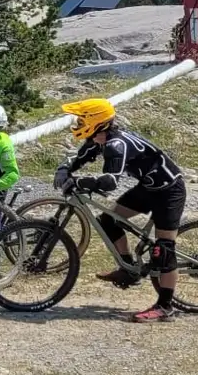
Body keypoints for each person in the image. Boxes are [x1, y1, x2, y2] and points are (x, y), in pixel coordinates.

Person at [57, 98, 186, 323]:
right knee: (108, 221)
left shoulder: (116, 145)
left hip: (169, 191)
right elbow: (80, 158)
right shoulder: (99, 138)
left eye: (82, 119)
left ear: (96, 121)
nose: (78, 123)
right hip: (148, 188)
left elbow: (109, 182)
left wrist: (79, 183)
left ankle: (166, 307)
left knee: (163, 250)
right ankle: (130, 269)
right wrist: (65, 169)